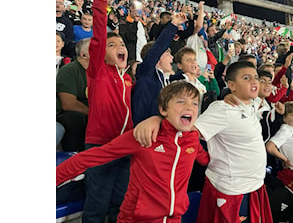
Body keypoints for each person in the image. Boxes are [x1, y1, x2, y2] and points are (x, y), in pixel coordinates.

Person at [132, 61, 273, 222]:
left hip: (253, 188)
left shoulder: (252, 104)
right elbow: (187, 130)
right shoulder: (223, 110)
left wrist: (227, 92)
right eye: (247, 78)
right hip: (233, 192)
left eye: (256, 77)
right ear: (232, 85)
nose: (254, 81)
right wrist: (158, 120)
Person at [56, 81, 210, 222]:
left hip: (174, 218)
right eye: (181, 101)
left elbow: (205, 159)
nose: (190, 107)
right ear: (163, 109)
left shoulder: (192, 138)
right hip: (137, 218)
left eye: (195, 103)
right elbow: (90, 158)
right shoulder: (144, 136)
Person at [82, 0, 134, 223]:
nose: (119, 47)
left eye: (122, 44)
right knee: (97, 205)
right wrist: (100, 3)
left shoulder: (128, 80)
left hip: (125, 146)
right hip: (100, 145)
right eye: (112, 46)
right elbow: (99, 39)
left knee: (120, 203)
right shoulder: (98, 72)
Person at [266, 101, 293, 198]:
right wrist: (284, 159)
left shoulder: (292, 130)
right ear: (285, 118)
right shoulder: (285, 130)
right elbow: (270, 147)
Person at [56, 38, 91, 152]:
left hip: (90, 112)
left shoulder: (100, 72)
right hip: (63, 114)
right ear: (84, 55)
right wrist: (94, 114)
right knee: (75, 119)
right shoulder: (69, 70)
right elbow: (68, 104)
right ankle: (73, 159)